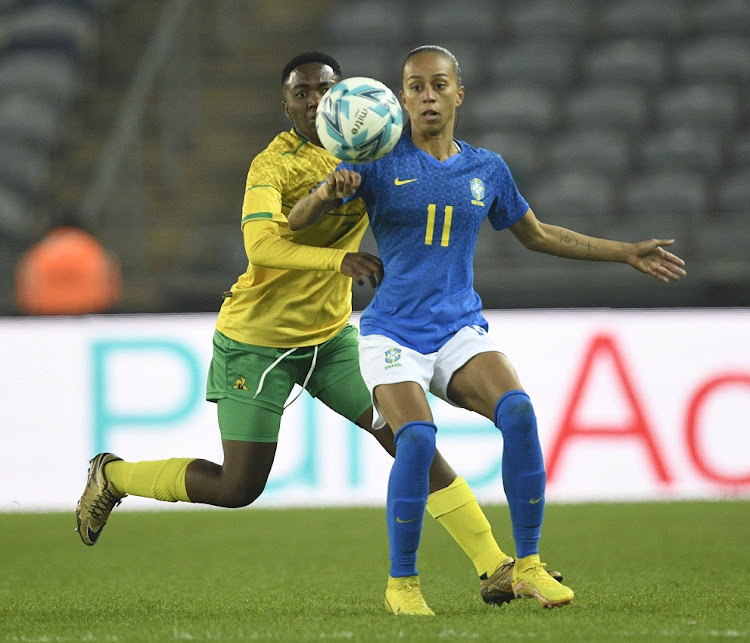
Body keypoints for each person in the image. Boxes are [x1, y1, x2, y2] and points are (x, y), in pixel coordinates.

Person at [75, 51, 554, 614]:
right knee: (239, 486)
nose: (314, 101)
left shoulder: (370, 148)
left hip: (331, 339)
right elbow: (262, 246)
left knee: (410, 441)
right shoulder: (271, 166)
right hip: (258, 339)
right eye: (301, 93)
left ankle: (494, 567)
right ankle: (115, 475)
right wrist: (338, 263)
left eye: (324, 89)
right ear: (286, 106)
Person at [288, 45, 688, 614]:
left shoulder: (487, 169)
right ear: (401, 98)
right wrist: (326, 192)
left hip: (457, 327)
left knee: (519, 412)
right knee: (418, 439)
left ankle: (526, 568)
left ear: (459, 93)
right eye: (417, 87)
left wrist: (626, 253)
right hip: (392, 333)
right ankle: (402, 585)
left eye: (439, 85)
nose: (428, 96)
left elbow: (539, 235)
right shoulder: (374, 161)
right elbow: (296, 224)